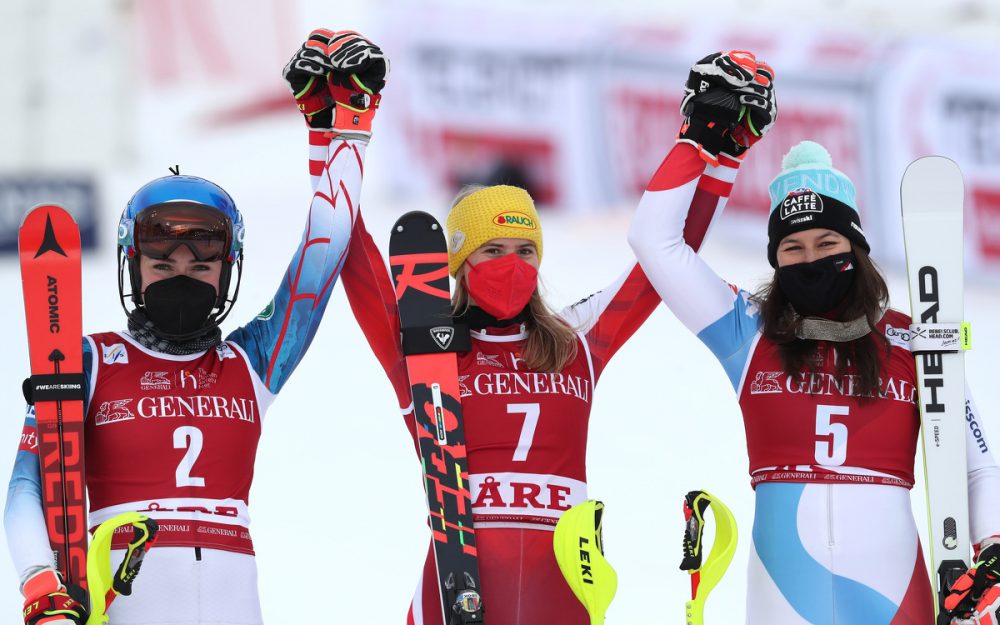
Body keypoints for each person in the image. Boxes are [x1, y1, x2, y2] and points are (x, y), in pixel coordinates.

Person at [300, 41, 754, 624]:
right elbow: (350, 251)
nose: (510, 265)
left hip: (562, 592)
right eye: (492, 250)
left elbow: (669, 258)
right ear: (460, 263)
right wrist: (332, 132)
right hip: (452, 594)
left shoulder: (577, 341)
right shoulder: (422, 346)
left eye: (524, 251)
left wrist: (715, 151)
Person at [4, 29, 387, 625]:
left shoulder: (252, 360)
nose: (181, 274)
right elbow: (27, 484)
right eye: (162, 264)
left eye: (201, 264)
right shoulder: (90, 360)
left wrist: (343, 129)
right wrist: (39, 584)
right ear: (134, 266)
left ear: (225, 272)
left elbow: (325, 249)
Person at [628, 51, 1000, 624]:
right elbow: (655, 241)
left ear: (855, 248)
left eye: (826, 245)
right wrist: (701, 147)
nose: (810, 261)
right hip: (784, 594)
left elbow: (976, 466)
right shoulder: (746, 330)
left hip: (892, 591)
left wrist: (992, 545)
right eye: (791, 250)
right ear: (775, 262)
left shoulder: (912, 339)